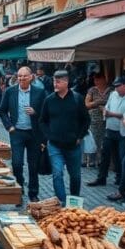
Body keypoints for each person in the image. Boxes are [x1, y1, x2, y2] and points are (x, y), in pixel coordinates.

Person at [38, 70, 90, 205]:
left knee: (75, 176)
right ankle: (61, 203)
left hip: (73, 145)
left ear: (66, 82)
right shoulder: (49, 100)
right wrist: (49, 136)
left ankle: (74, 203)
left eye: (58, 81)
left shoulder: (77, 99)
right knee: (57, 174)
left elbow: (86, 120)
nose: (55, 84)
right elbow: (42, 121)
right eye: (54, 81)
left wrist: (80, 136)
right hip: (55, 145)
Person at [0, 66, 48, 203]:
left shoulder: (40, 92)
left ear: (31, 77)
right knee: (17, 163)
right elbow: (2, 110)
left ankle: (33, 192)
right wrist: (9, 127)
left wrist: (35, 111)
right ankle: (19, 189)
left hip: (34, 134)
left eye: (24, 76)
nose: (21, 78)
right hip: (17, 133)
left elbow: (46, 113)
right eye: (19, 76)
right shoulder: (10, 91)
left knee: (33, 165)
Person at [90, 74, 125, 186]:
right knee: (105, 154)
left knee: (121, 156)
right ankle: (101, 177)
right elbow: (107, 106)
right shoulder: (114, 94)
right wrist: (106, 112)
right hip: (110, 129)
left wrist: (111, 114)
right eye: (115, 86)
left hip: (123, 132)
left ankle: (123, 180)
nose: (116, 89)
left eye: (118, 86)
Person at [84, 75, 111, 169]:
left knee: (104, 139)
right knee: (93, 139)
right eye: (95, 80)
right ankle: (92, 160)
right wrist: (97, 102)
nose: (96, 81)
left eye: (98, 79)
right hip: (94, 118)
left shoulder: (111, 90)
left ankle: (102, 160)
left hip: (107, 118)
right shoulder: (92, 90)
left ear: (104, 79)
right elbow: (86, 104)